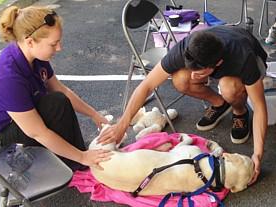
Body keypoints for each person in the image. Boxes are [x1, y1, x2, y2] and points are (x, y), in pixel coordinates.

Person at [99, 25, 268, 183]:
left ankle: (239, 112)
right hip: (215, 50)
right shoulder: (186, 47)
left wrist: (258, 155)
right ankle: (219, 103)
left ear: (217, 65)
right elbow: (147, 85)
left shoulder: (243, 58)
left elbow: (260, 108)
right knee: (180, 80)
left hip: (250, 51)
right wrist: (122, 124)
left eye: (199, 71)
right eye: (192, 68)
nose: (194, 74)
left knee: (229, 88)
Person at [0, 6, 112, 171]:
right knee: (54, 106)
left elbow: (61, 90)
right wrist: (82, 157)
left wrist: (94, 115)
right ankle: (76, 164)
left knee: (57, 101)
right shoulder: (6, 78)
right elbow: (37, 132)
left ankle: (71, 159)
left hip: (11, 123)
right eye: (54, 44)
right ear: (30, 41)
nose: (59, 48)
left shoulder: (32, 53)